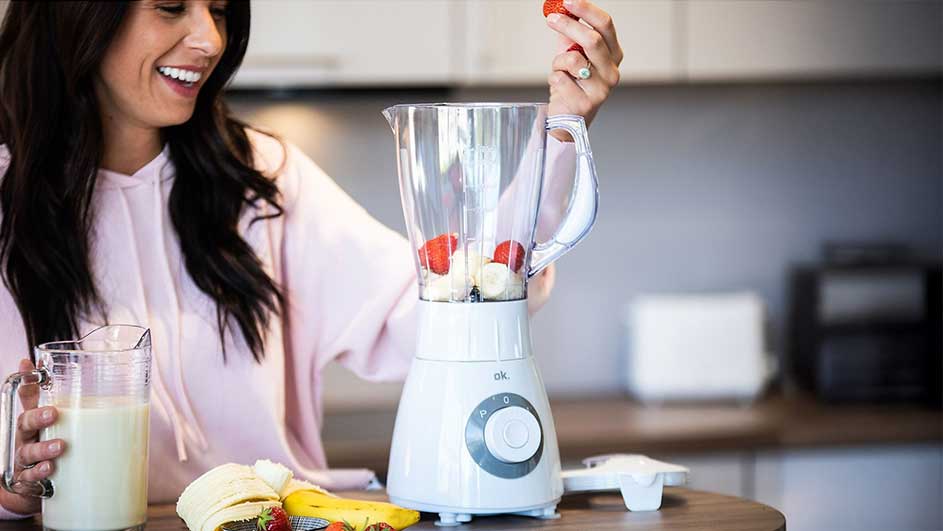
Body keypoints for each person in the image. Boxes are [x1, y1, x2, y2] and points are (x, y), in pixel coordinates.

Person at [0, 0, 623, 515]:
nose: (209, 39)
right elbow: (12, 478)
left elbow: (449, 302)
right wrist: (15, 489)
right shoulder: (8, 205)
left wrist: (562, 129)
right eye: (170, 8)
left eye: (220, 11)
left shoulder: (261, 178)